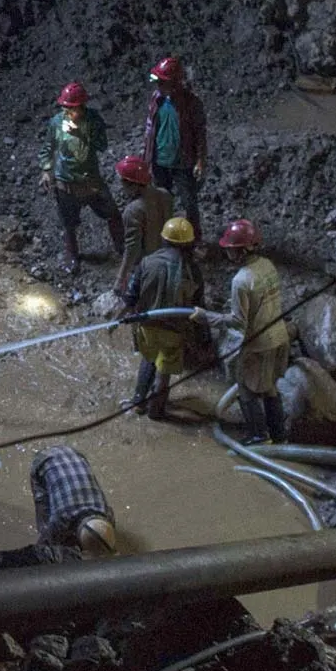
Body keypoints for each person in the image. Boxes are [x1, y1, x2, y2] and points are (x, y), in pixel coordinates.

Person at [201, 219, 290, 444]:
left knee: (245, 387)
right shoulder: (267, 265)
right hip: (280, 336)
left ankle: (258, 436)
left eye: (230, 249)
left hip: (259, 343)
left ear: (241, 250)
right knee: (269, 387)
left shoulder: (241, 280)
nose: (228, 252)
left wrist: (207, 317)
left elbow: (238, 321)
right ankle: (279, 435)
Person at [124, 215, 203, 421]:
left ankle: (138, 402)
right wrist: (201, 338)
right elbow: (198, 306)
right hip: (175, 329)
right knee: (164, 370)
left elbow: (131, 295)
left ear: (164, 239)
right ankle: (156, 412)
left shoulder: (147, 262)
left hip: (147, 325)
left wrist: (129, 315)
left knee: (148, 359)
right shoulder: (192, 270)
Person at [38, 81, 120, 278]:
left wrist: (81, 134)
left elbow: (102, 145)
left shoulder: (93, 120)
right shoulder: (57, 122)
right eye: (65, 108)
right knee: (68, 221)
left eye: (72, 108)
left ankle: (122, 247)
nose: (68, 112)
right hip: (65, 180)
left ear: (82, 107)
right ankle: (72, 255)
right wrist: (46, 170)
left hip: (90, 179)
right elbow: (48, 147)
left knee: (112, 213)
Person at [142, 55, 208, 233]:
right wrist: (147, 158)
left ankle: (194, 238)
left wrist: (200, 160)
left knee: (189, 202)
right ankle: (166, 236)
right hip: (160, 161)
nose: (158, 86)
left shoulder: (191, 103)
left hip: (182, 162)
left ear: (174, 83)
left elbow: (200, 133)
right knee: (162, 201)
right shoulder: (157, 99)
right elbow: (150, 129)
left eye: (162, 82)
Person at [29, 446, 121, 558]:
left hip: (75, 454)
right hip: (43, 461)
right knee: (45, 526)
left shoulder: (107, 513)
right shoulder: (61, 520)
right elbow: (45, 544)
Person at [113, 154, 173, 286]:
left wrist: (121, 278)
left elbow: (132, 248)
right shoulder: (165, 195)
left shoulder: (133, 210)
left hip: (148, 265)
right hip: (168, 258)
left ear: (132, 185)